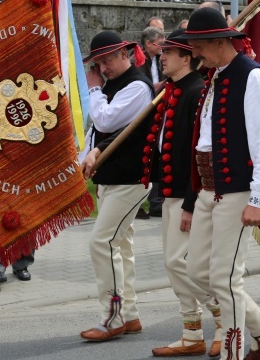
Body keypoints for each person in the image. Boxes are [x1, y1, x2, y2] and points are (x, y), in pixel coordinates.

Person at [91, 28, 222, 356]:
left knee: (182, 264)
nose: (160, 56)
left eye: (169, 52)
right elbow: (139, 132)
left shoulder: (195, 91)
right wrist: (99, 149)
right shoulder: (172, 91)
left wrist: (192, 201)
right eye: (161, 51)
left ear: (187, 57)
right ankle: (192, 333)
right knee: (173, 264)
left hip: (184, 192)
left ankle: (225, 319)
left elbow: (199, 151)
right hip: (169, 190)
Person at [180, 7, 260, 360]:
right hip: (209, 188)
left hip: (238, 189)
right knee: (196, 270)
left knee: (225, 279)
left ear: (221, 40)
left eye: (198, 45)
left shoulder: (251, 76)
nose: (194, 52)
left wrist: (258, 197)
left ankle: (233, 354)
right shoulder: (216, 75)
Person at [79, 31, 153, 342]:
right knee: (120, 246)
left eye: (107, 60)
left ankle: (112, 316)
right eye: (98, 62)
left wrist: (94, 90)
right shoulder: (115, 85)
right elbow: (98, 132)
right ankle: (130, 315)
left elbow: (105, 121)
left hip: (131, 178)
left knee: (102, 242)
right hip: (113, 178)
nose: (103, 67)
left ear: (125, 53)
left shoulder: (137, 86)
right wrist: (85, 156)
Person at [139, 26, 167, 219]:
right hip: (143, 117)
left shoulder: (158, 60)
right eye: (159, 43)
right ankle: (140, 204)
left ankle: (156, 203)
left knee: (157, 157)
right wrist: (161, 86)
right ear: (148, 44)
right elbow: (144, 87)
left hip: (157, 114)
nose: (162, 47)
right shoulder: (139, 61)